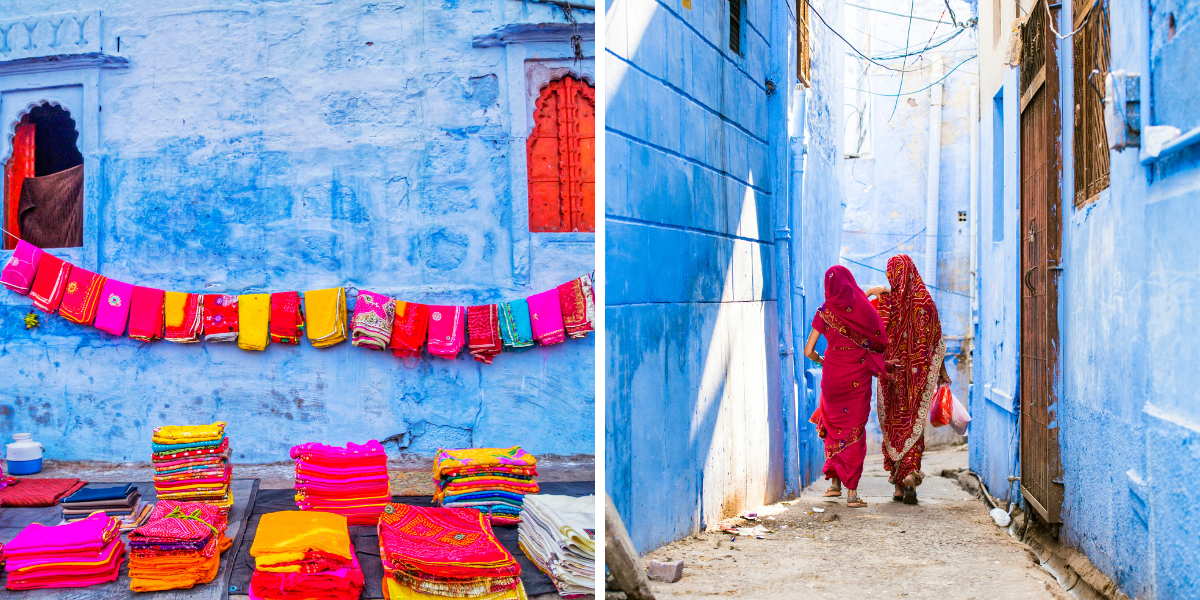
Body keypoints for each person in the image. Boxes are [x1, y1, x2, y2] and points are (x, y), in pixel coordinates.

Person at [867, 254, 950, 505]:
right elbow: (937, 343)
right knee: (914, 426)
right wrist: (942, 373)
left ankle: (898, 487)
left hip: (890, 375)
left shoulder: (886, 302)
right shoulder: (926, 303)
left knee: (894, 426)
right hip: (917, 378)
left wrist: (877, 290)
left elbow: (870, 327)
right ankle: (910, 475)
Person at [804, 265, 888, 508]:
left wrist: (822, 360)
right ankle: (852, 494)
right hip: (856, 377)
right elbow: (876, 333)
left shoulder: (824, 312)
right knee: (854, 429)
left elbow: (809, 351)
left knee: (833, 427)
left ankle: (834, 485)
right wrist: (872, 292)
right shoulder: (861, 308)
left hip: (832, 375)